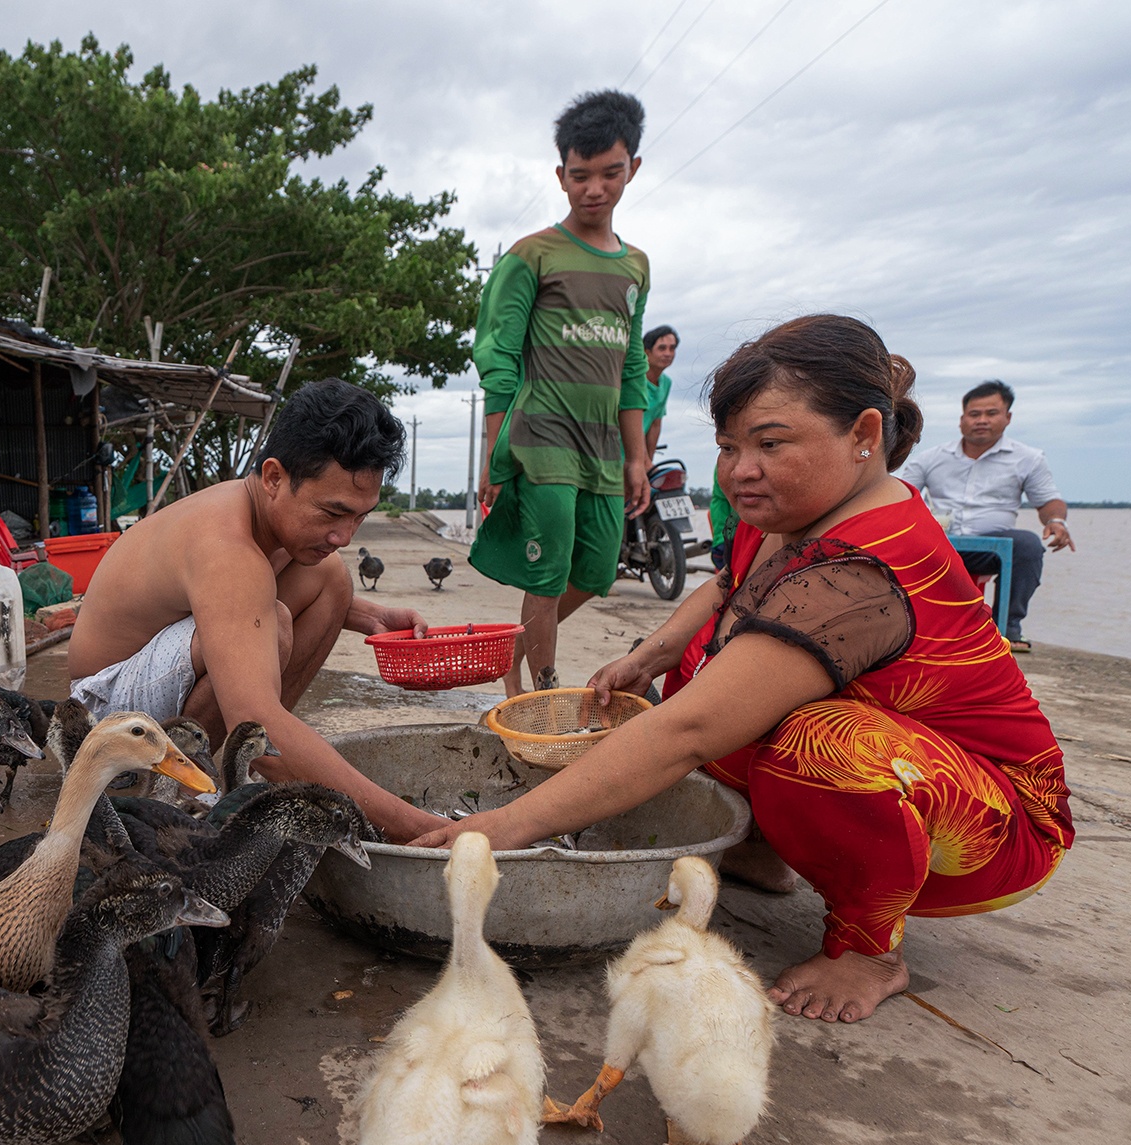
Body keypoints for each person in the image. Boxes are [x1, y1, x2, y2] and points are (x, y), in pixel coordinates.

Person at [417, 316, 1073, 1025]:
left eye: (770, 442)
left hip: (994, 825)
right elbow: (729, 584)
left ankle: (867, 949)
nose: (740, 470)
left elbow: (691, 731)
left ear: (863, 435)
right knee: (709, 661)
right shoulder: (795, 508)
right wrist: (654, 652)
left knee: (810, 740)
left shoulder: (869, 562)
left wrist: (505, 828)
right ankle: (762, 847)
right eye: (730, 446)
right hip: (918, 775)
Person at [68, 378, 449, 843]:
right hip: (100, 716)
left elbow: (251, 600)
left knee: (330, 577)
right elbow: (254, 714)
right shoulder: (227, 548)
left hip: (154, 674)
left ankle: (235, 767)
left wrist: (370, 617)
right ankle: (158, 794)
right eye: (332, 513)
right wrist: (421, 827)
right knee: (273, 631)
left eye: (360, 517)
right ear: (274, 478)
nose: (345, 536)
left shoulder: (262, 515)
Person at [470, 90, 654, 698]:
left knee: (597, 569)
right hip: (542, 435)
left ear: (633, 169)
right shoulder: (531, 256)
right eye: (580, 175)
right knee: (546, 572)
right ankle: (539, 692)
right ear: (561, 175)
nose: (595, 188)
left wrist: (637, 457)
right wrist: (496, 453)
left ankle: (514, 653)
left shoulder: (636, 268)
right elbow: (497, 354)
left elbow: (631, 366)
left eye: (610, 173)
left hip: (603, 446)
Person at [895, 381, 1072, 651]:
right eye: (974, 414)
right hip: (939, 544)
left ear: (1007, 417)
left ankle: (1008, 630)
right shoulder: (930, 459)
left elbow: (1048, 501)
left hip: (992, 546)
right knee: (898, 540)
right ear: (962, 420)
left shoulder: (1028, 459)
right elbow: (900, 495)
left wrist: (1056, 522)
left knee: (1027, 544)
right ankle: (903, 629)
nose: (982, 420)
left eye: (991, 413)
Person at [641, 325, 678, 459]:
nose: (668, 353)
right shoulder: (634, 381)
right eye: (662, 348)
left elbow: (655, 424)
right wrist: (642, 462)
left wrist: (649, 462)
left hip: (643, 455)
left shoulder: (665, 383)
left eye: (672, 348)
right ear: (647, 352)